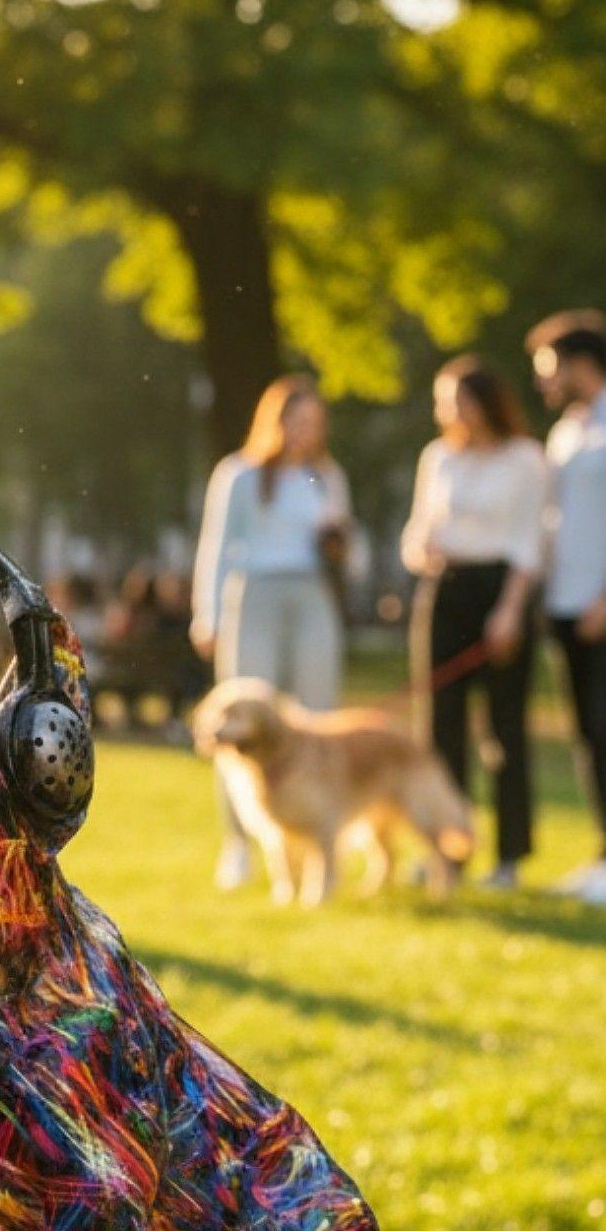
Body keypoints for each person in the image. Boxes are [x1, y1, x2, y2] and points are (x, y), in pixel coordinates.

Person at [191, 375, 351, 886]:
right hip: (254, 595)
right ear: (275, 421)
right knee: (239, 721)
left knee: (316, 719)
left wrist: (339, 542)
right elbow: (216, 546)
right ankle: (239, 843)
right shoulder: (238, 474)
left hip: (310, 596)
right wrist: (207, 614)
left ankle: (316, 842)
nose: (306, 433)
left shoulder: (324, 477)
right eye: (297, 422)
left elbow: (347, 545)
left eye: (314, 424)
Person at [402, 356, 547, 890]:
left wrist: (510, 612)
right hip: (445, 592)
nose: (447, 410)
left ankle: (509, 857)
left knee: (504, 731)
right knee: (440, 730)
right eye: (443, 401)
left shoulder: (526, 460)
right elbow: (416, 532)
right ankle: (447, 852)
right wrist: (421, 551)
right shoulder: (438, 458)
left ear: (485, 401)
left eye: (456, 398)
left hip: (503, 591)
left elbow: (530, 544)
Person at [528, 311, 606, 903]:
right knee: (587, 734)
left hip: (600, 605)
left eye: (549, 368)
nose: (542, 382)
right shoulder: (567, 432)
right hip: (565, 604)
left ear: (581, 363)